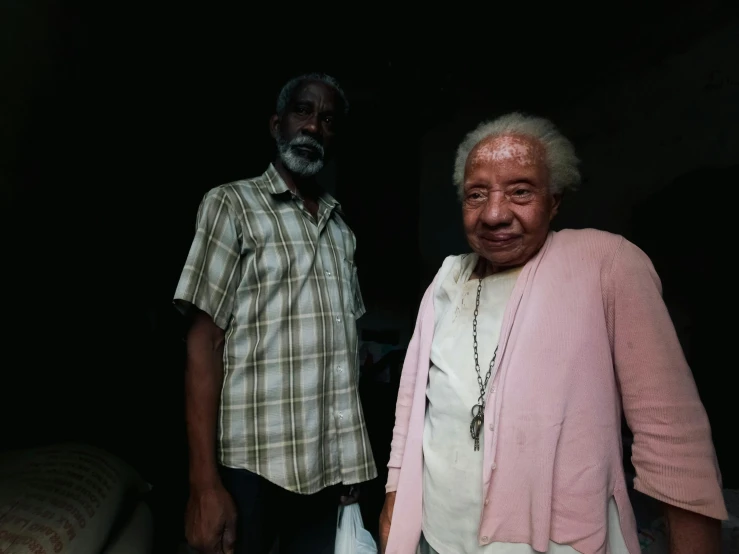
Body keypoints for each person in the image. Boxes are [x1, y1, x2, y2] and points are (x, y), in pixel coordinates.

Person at [379, 112, 727, 554]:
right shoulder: (448, 279)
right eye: (476, 195)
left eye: (520, 191)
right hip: (439, 535)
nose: (494, 214)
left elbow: (673, 436)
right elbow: (411, 409)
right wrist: (394, 504)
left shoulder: (607, 264)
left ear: (555, 200)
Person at [174, 73, 376, 554]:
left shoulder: (341, 229)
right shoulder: (232, 205)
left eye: (327, 120)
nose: (313, 126)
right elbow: (203, 344)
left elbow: (343, 354)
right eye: (303, 112)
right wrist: (204, 484)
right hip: (254, 465)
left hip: (328, 469)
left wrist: (349, 467)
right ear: (276, 124)